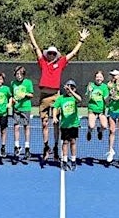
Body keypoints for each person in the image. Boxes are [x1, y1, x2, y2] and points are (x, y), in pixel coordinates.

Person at [24, 21, 90, 161]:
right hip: (44, 96)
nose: (52, 55)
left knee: (55, 123)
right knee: (44, 123)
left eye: (54, 53)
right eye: (50, 53)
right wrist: (30, 32)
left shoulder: (60, 63)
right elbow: (36, 47)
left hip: (55, 95)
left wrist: (81, 40)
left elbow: (73, 53)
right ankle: (46, 146)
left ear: (56, 55)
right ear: (47, 54)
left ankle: (55, 147)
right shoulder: (42, 62)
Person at [53, 79, 82, 171]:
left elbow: (80, 99)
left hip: (74, 124)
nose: (69, 89)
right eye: (68, 87)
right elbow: (55, 107)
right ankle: (64, 161)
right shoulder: (61, 98)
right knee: (65, 142)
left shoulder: (74, 98)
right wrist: (54, 116)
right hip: (64, 125)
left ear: (74, 88)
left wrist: (72, 92)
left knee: (73, 142)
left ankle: (73, 160)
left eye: (72, 87)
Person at [10, 66, 34, 160]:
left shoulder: (28, 82)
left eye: (20, 74)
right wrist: (12, 101)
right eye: (17, 74)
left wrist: (25, 94)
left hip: (26, 108)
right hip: (16, 108)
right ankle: (16, 147)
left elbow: (31, 94)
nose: (19, 76)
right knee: (16, 126)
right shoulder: (13, 83)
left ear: (24, 74)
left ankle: (27, 148)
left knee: (26, 127)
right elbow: (12, 96)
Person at [85, 71, 109, 142]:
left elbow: (106, 99)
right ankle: (89, 132)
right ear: (95, 78)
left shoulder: (105, 87)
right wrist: (89, 91)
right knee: (92, 126)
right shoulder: (91, 85)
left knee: (104, 126)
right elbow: (88, 98)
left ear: (103, 78)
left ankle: (99, 131)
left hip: (101, 110)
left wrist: (111, 95)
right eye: (97, 77)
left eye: (100, 77)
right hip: (92, 109)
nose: (99, 79)